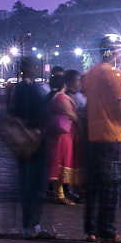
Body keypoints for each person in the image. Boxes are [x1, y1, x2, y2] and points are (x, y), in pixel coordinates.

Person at [82, 36, 121, 243]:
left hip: (93, 134)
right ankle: (109, 231)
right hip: (113, 135)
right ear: (113, 52)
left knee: (94, 185)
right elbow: (120, 108)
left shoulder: (90, 75)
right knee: (112, 185)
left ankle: (91, 229)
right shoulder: (117, 75)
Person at [8, 57, 57, 239]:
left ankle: (29, 224)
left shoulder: (20, 90)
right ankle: (32, 225)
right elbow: (24, 116)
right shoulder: (27, 91)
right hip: (34, 142)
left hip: (27, 143)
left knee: (28, 184)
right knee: (33, 186)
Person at [46, 72, 81, 203]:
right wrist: (80, 122)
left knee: (60, 163)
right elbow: (70, 113)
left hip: (62, 134)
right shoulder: (62, 98)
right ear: (64, 84)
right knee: (62, 163)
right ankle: (60, 195)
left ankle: (60, 193)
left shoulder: (55, 97)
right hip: (64, 135)